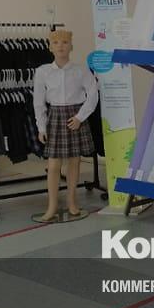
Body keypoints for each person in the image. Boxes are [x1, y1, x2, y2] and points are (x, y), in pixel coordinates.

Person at [33, 29, 98, 222]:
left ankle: (72, 201)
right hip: (55, 117)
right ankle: (52, 206)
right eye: (56, 43)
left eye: (64, 42)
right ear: (50, 47)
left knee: (74, 161)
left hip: (75, 118)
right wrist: (41, 127)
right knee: (53, 165)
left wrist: (80, 117)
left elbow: (93, 95)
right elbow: (38, 102)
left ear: (71, 46)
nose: (60, 46)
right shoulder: (43, 71)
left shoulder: (81, 70)